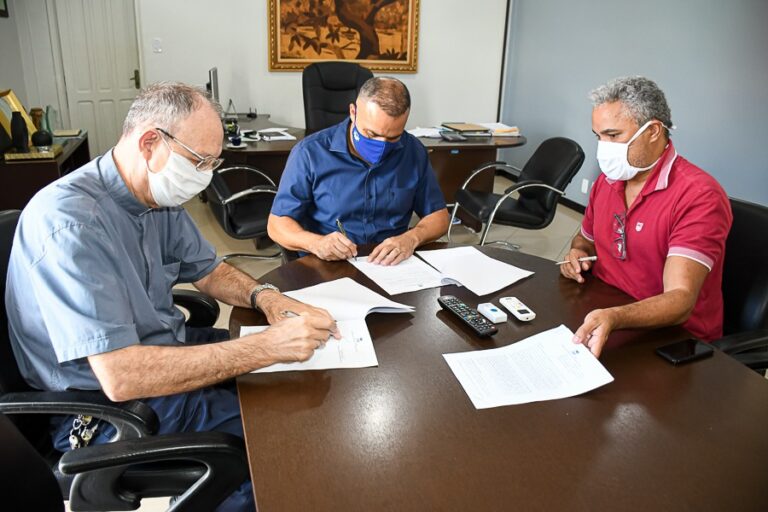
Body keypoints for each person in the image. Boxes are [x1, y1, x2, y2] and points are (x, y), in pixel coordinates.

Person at [6, 82, 339, 511]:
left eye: (212, 163)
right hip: (108, 407)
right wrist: (265, 347)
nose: (206, 175)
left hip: (161, 353)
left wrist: (265, 296)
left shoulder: (153, 198)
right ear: (150, 143)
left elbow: (210, 270)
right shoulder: (71, 225)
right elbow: (121, 376)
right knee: (278, 443)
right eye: (200, 161)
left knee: (298, 383)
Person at [561, 76, 732, 357]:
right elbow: (586, 239)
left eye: (613, 135)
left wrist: (615, 317)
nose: (603, 148)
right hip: (607, 314)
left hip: (674, 341)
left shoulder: (699, 195)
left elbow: (680, 299)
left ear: (653, 131)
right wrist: (578, 252)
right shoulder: (608, 181)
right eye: (598, 136)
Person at [267, 76, 449, 266]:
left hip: (392, 265)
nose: (382, 145)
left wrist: (412, 238)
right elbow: (277, 225)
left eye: (393, 137)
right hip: (330, 263)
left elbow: (438, 216)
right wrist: (315, 243)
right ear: (353, 112)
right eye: (372, 134)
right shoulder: (310, 153)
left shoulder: (412, 150)